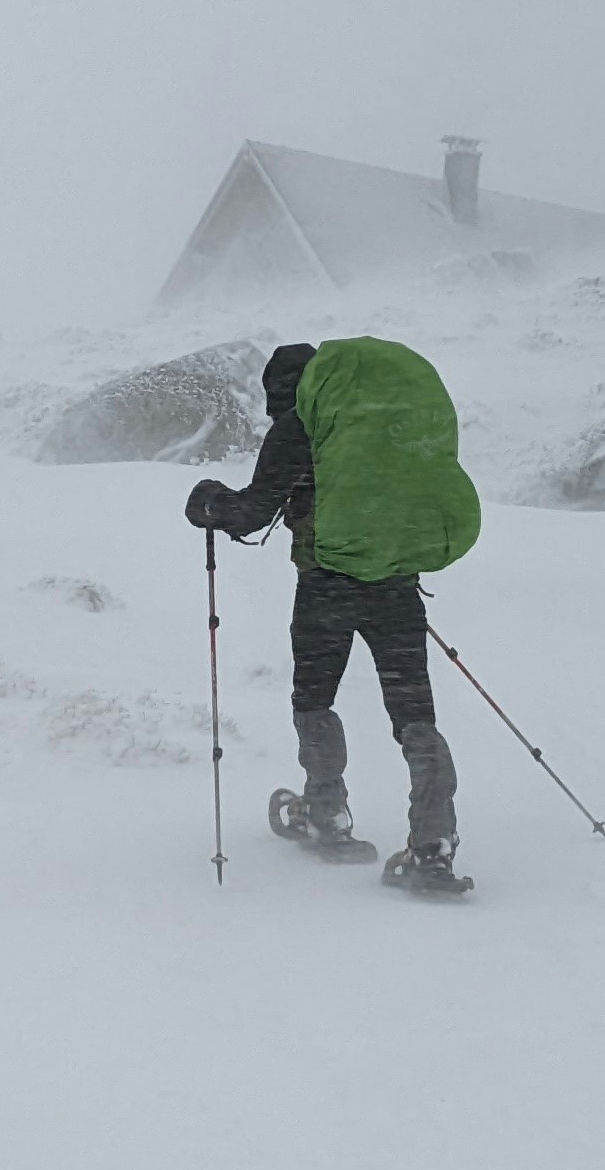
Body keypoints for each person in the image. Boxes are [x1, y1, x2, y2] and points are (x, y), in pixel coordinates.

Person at [186, 337, 483, 896]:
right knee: (414, 712)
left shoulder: (298, 428)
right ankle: (433, 846)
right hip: (396, 585)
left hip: (326, 586)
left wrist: (208, 504)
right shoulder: (375, 428)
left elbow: (251, 513)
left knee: (314, 698)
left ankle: (326, 813)